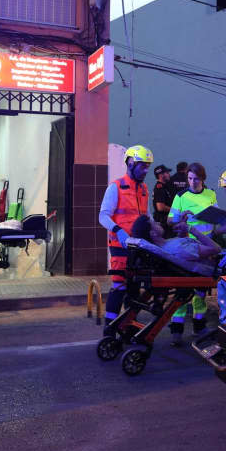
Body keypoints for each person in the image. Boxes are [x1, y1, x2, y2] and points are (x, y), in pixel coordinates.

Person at [98, 144, 153, 336]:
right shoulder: (116, 187)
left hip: (138, 247)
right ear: (130, 163)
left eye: (148, 166)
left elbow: (147, 215)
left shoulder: (144, 189)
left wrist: (155, 229)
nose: (146, 170)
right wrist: (118, 231)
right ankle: (109, 330)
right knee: (119, 286)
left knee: (134, 288)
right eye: (142, 166)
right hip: (120, 246)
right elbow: (103, 216)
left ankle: (128, 326)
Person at [167, 162, 218, 343]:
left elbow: (215, 216)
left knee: (201, 293)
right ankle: (176, 330)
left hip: (205, 250)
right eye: (189, 178)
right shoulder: (181, 196)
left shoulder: (211, 194)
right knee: (182, 290)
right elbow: (170, 220)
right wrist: (180, 218)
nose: (192, 182)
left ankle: (199, 327)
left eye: (196, 179)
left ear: (202, 178)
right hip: (188, 249)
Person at [152, 164, 175, 237]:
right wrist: (175, 210)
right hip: (163, 222)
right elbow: (160, 207)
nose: (169, 174)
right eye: (167, 172)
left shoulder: (165, 186)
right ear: (161, 175)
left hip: (166, 221)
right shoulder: (160, 188)